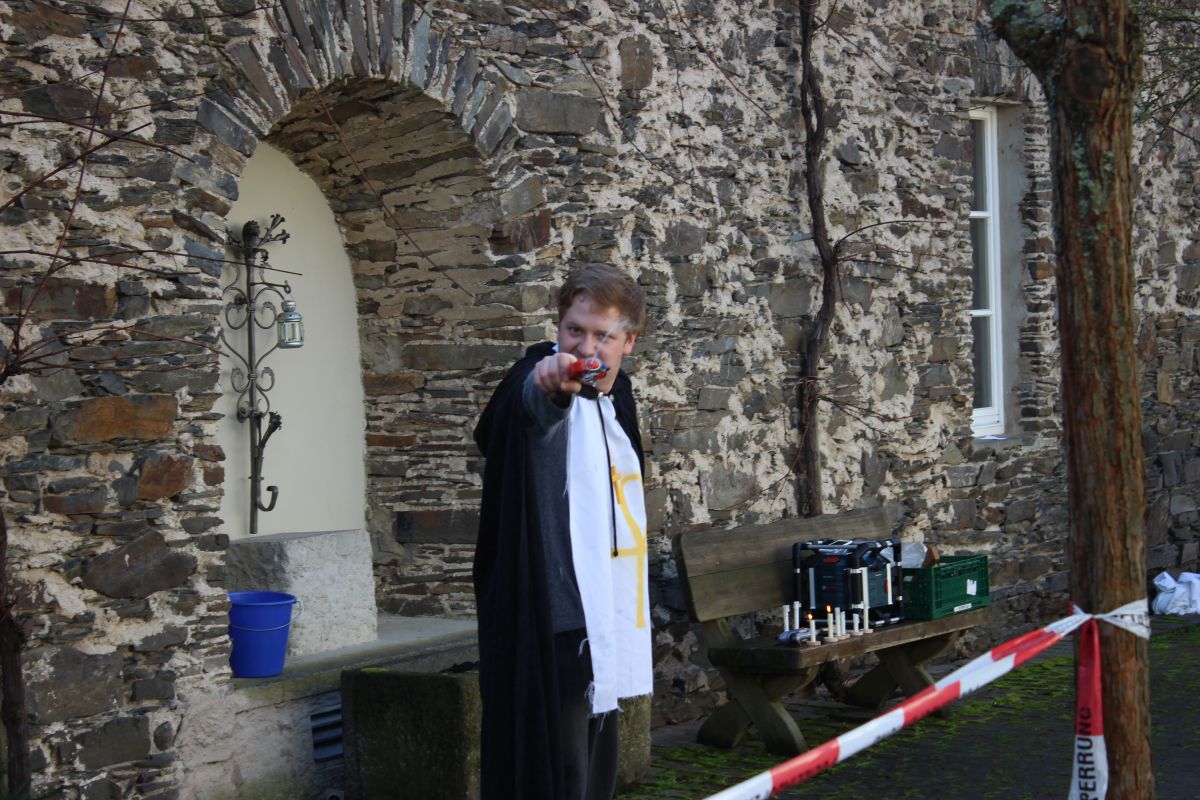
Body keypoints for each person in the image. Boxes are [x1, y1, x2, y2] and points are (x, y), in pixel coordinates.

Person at [472, 264, 651, 800]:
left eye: (603, 336)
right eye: (575, 330)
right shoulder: (535, 378)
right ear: (559, 325)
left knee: (597, 768)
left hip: (607, 610)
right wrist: (551, 388)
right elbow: (534, 412)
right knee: (554, 771)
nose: (586, 348)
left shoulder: (619, 397)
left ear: (629, 341)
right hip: (551, 615)